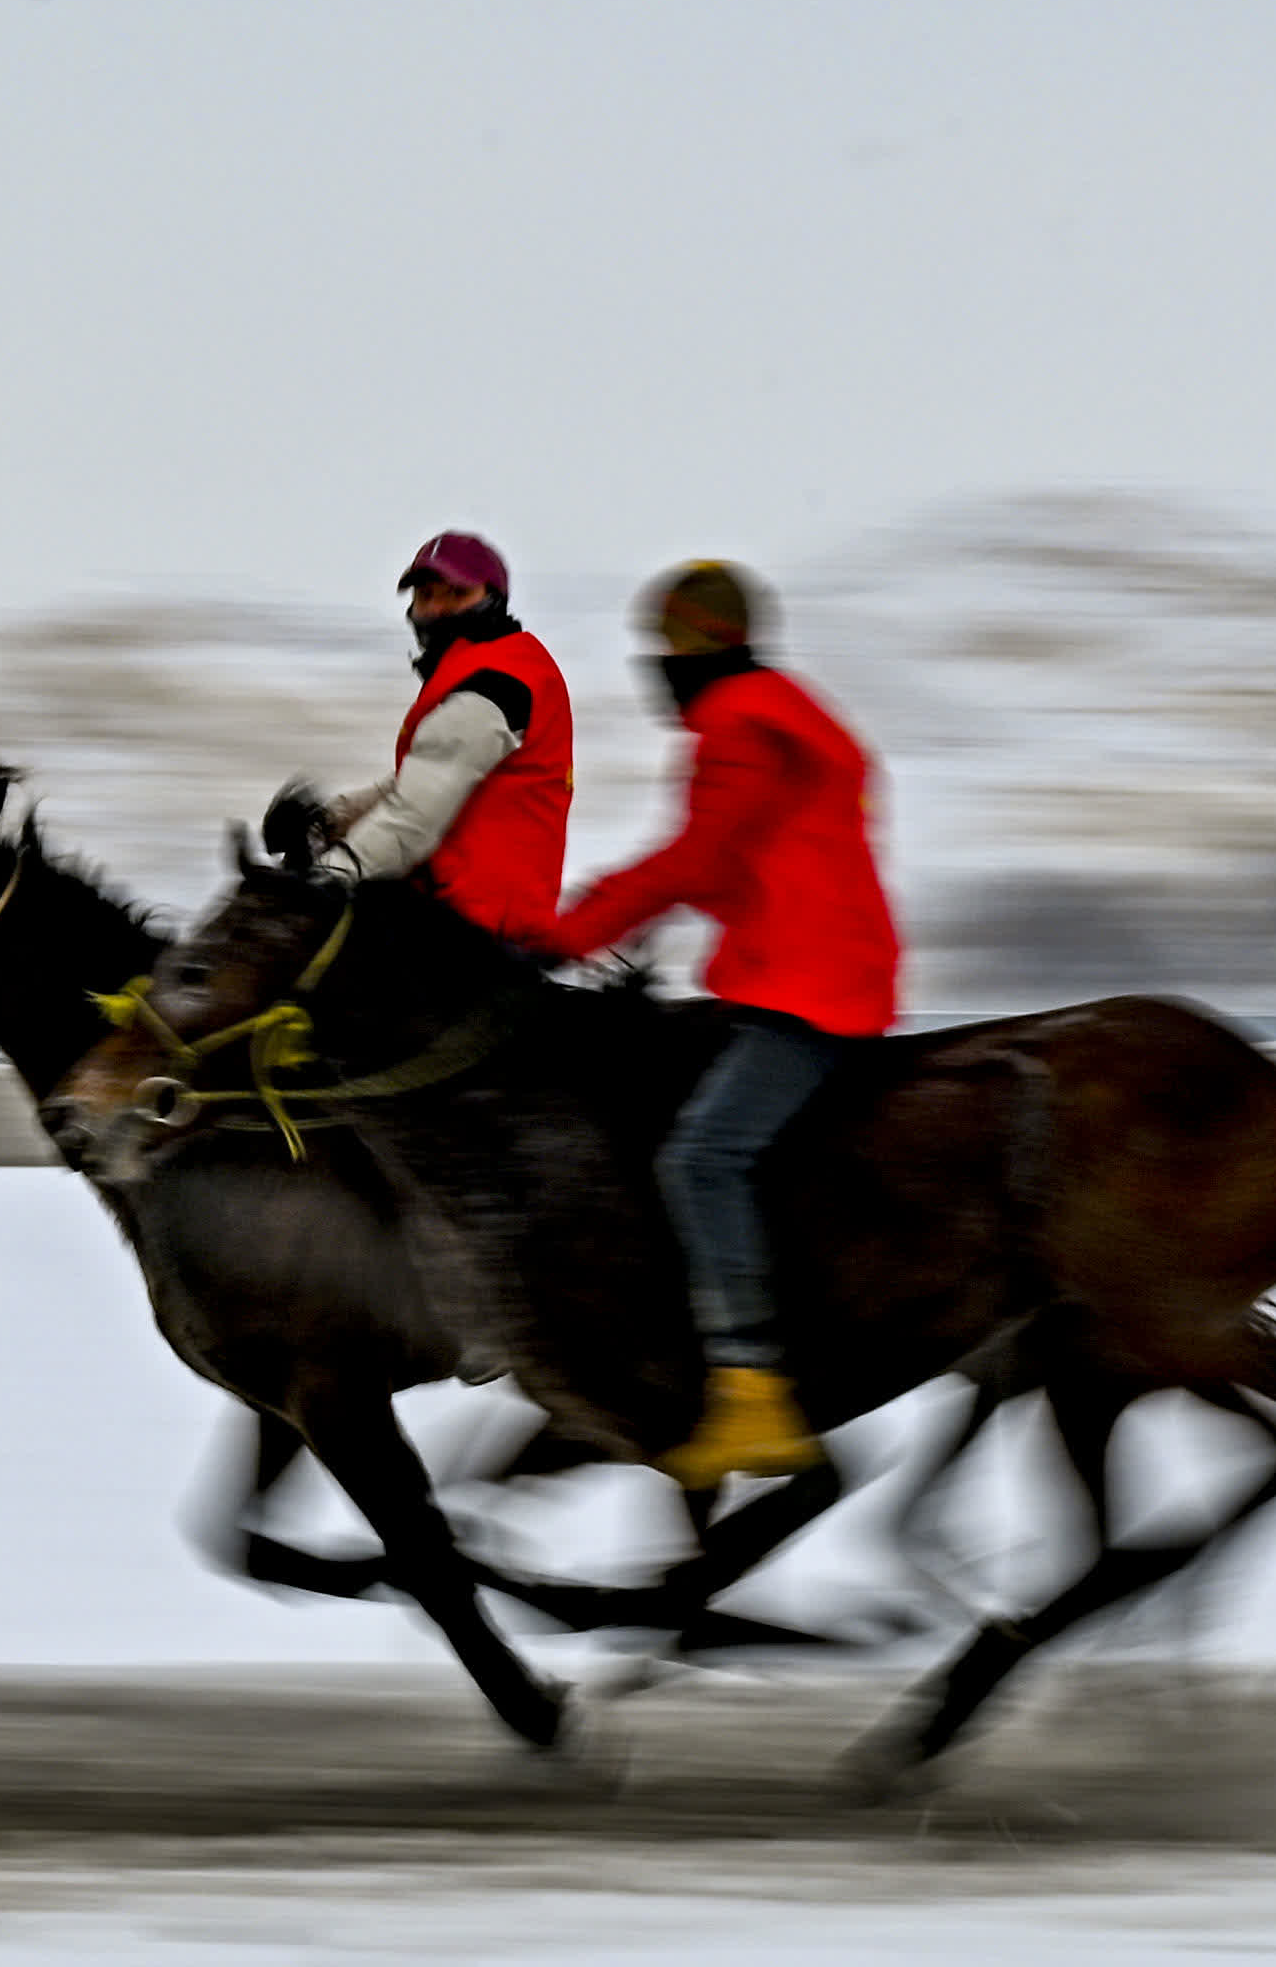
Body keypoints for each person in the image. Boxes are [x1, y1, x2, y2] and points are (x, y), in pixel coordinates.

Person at [538, 560, 901, 1491]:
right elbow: (742, 861)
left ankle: (752, 1392)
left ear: (701, 642)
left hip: (808, 985)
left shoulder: (737, 721)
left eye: (665, 644)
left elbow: (696, 858)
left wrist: (565, 935)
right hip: (800, 968)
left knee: (703, 1157)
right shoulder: (784, 705)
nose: (654, 664)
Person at [307, 530, 579, 941]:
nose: (437, 609)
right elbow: (426, 783)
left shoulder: (493, 686)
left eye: (457, 594)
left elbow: (415, 817)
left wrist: (324, 879)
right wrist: (329, 820)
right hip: (454, 915)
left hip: (475, 936)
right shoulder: (498, 665)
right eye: (426, 596)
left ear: (493, 598)